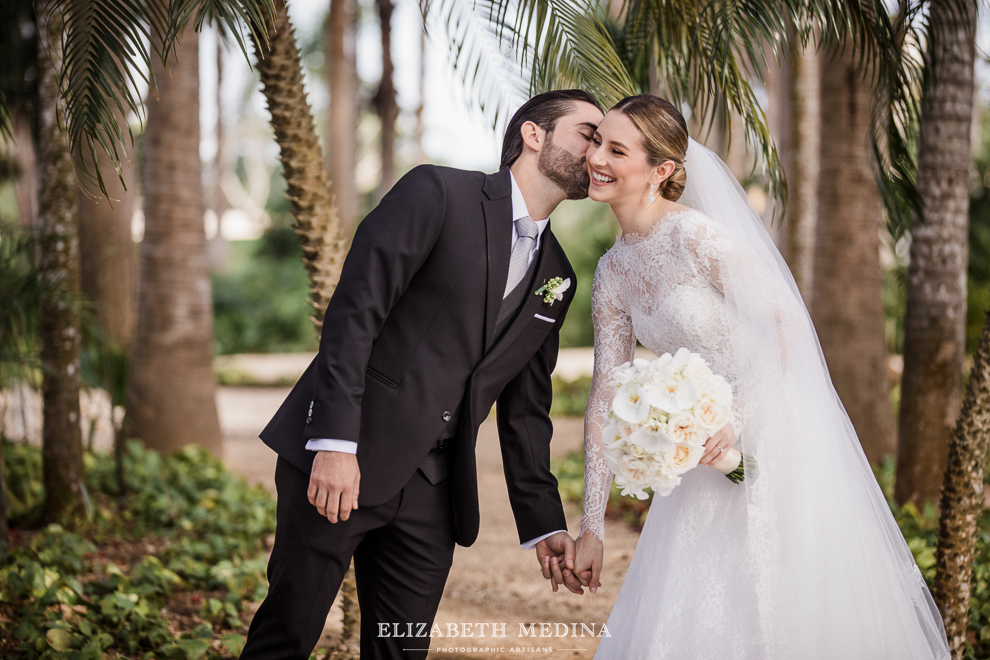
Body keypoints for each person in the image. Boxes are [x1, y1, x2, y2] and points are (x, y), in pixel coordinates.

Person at [572, 94, 951, 659]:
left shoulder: (695, 237)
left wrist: (738, 414)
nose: (595, 157)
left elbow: (785, 323)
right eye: (596, 142)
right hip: (699, 457)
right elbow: (607, 390)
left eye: (616, 148)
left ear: (663, 170)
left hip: (771, 433)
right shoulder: (612, 271)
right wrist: (592, 525)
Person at [239, 90, 604, 660]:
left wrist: (544, 525)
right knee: (288, 634)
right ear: (534, 134)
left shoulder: (557, 274)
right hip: (346, 461)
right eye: (588, 132)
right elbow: (355, 314)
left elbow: (526, 413)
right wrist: (335, 443)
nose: (597, 150)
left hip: (435, 492)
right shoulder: (437, 193)